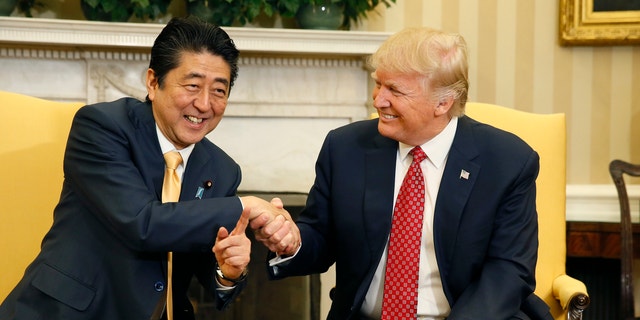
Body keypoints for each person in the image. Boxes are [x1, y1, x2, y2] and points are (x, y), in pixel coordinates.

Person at [0, 17, 299, 320]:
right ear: (153, 83)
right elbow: (143, 224)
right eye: (193, 86)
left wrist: (228, 270)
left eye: (219, 91)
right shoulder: (102, 127)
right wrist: (244, 206)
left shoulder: (222, 169)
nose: (205, 104)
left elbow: (206, 265)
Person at [262, 27, 553, 319]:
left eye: (395, 90)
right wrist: (292, 242)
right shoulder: (345, 148)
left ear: (443, 102)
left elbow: (509, 270)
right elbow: (321, 239)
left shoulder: (506, 161)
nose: (378, 100)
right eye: (379, 84)